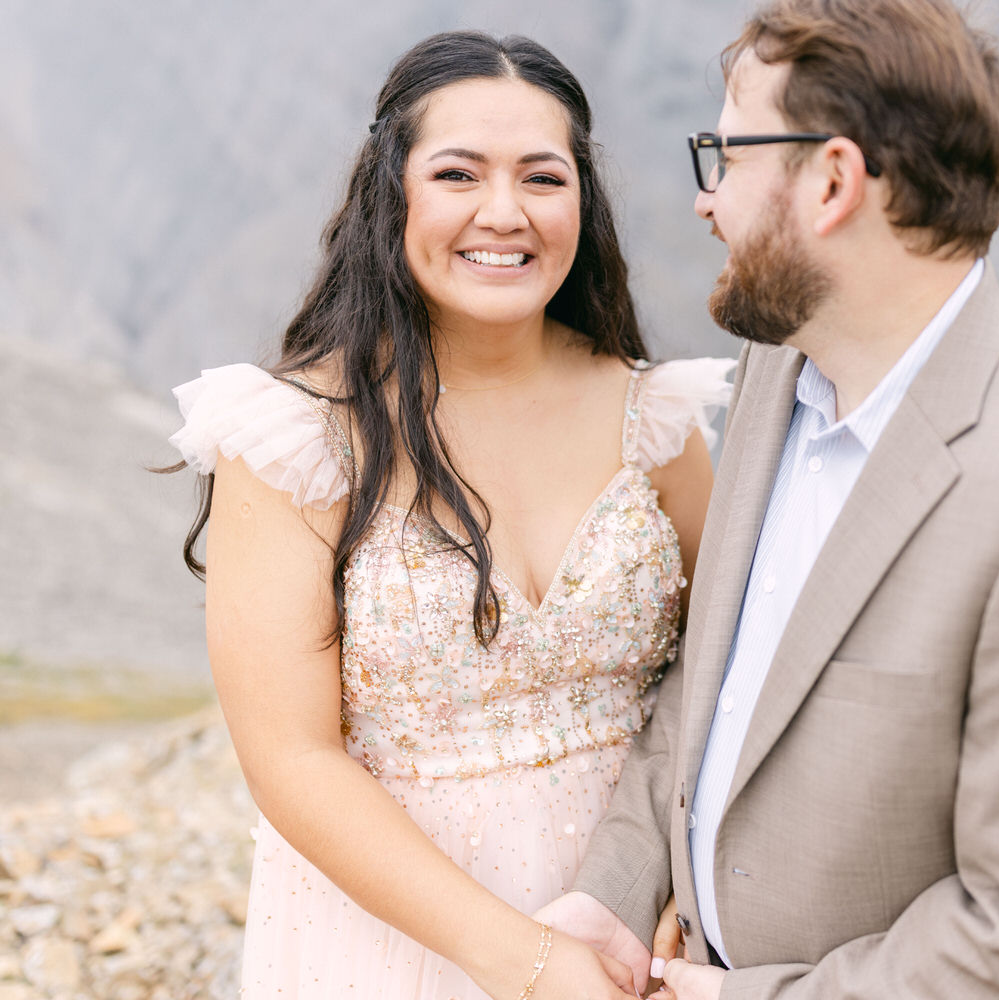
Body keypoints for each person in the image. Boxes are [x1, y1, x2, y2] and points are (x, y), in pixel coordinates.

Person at [535, 1, 999, 997]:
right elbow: (713, 687)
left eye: (727, 152)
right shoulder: (778, 359)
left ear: (834, 180)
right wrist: (611, 895)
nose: (706, 202)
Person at [165, 30, 733, 1000]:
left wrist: (681, 883)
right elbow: (292, 757)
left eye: (543, 178)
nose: (504, 213)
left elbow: (723, 670)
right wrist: (528, 962)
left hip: (636, 930)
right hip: (393, 940)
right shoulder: (295, 440)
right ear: (394, 191)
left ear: (583, 202)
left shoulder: (658, 421)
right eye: (459, 173)